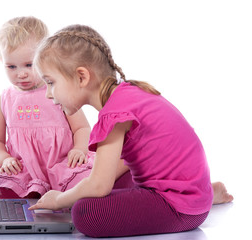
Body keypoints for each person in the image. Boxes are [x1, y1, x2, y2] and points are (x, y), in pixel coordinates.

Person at [29, 24, 233, 237]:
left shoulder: (113, 114)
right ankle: (207, 193)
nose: (48, 95)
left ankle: (203, 198)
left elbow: (99, 186)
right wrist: (81, 189)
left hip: (179, 207)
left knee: (85, 212)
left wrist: (60, 199)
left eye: (51, 83)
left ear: (82, 77)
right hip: (188, 190)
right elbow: (126, 161)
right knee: (96, 183)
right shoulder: (127, 94)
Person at [0, 17, 97, 199]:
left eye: (29, 65)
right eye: (11, 66)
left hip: (62, 166)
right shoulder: (3, 101)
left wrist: (79, 149)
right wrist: (4, 159)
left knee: (85, 181)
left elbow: (82, 127)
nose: (21, 73)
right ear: (1, 60)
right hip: (26, 171)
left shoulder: (58, 91)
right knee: (5, 189)